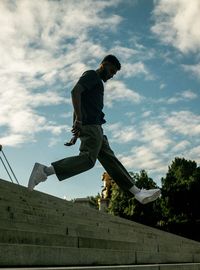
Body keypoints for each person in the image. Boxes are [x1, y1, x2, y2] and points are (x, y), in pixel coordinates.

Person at [28, 55, 161, 204]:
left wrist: (77, 130)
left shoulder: (96, 82)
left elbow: (82, 100)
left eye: (114, 74)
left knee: (111, 160)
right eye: (111, 71)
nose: (111, 76)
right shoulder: (92, 75)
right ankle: (44, 171)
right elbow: (75, 92)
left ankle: (137, 192)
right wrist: (78, 120)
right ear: (104, 64)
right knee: (88, 160)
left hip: (95, 128)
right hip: (91, 127)